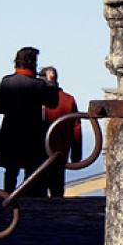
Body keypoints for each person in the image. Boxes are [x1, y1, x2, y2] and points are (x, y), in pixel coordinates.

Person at [0, 46, 56, 193]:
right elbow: (52, 103)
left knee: (11, 170)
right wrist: (51, 83)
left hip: (10, 130)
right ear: (32, 63)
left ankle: (8, 195)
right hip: (32, 132)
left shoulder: (6, 82)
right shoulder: (38, 85)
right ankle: (28, 196)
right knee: (31, 168)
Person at [40, 66, 82, 197]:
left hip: (38, 150)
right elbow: (76, 128)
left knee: (36, 189)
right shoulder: (68, 100)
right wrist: (76, 154)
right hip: (61, 151)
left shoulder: (36, 99)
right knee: (57, 188)